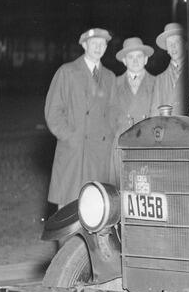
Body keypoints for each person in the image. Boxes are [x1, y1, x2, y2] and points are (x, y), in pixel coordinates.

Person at [43, 27, 117, 209]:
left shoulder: (110, 77)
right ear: (84, 45)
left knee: (97, 209)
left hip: (99, 154)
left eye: (102, 44)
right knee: (69, 210)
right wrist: (70, 136)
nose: (98, 48)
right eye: (94, 44)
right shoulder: (67, 72)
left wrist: (109, 136)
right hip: (74, 153)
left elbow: (114, 111)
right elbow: (53, 111)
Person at [115, 36, 158, 133]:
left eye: (139, 56)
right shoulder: (114, 84)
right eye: (130, 57)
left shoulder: (157, 83)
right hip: (122, 140)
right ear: (124, 61)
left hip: (147, 139)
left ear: (146, 59)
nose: (135, 61)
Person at [154, 22, 187, 115]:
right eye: (169, 43)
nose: (173, 46)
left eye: (177, 42)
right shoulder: (159, 80)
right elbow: (153, 114)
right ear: (166, 49)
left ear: (185, 44)